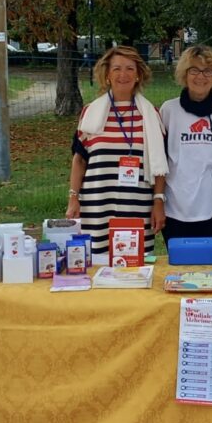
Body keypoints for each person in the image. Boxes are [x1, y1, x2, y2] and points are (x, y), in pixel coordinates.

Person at [66, 45, 168, 261]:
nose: (124, 75)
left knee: (135, 267)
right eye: (117, 69)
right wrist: (73, 198)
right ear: (107, 75)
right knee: (97, 265)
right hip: (97, 206)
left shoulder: (151, 114)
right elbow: (79, 160)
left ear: (139, 74)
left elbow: (160, 164)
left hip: (137, 206)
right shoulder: (90, 112)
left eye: (130, 68)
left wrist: (159, 201)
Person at [160, 45, 212, 245]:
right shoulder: (168, 111)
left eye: (207, 71)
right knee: (180, 267)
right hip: (178, 208)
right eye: (194, 70)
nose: (200, 77)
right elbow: (160, 162)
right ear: (184, 74)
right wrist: (158, 199)